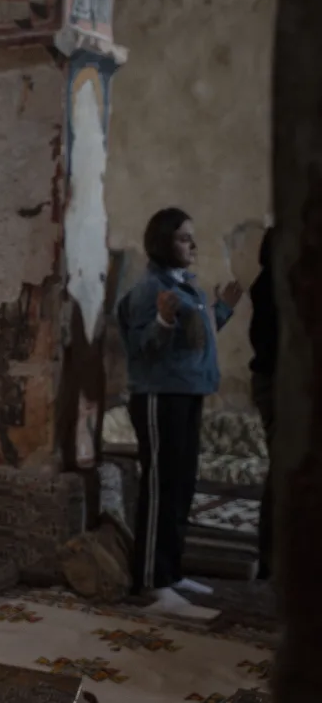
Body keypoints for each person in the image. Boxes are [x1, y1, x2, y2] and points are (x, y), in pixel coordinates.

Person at [116, 207, 244, 619]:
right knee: (161, 486)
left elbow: (197, 341)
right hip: (159, 396)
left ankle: (171, 572)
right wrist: (162, 319)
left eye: (191, 237)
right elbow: (144, 349)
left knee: (182, 485)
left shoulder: (185, 286)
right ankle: (153, 583)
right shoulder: (149, 290)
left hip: (188, 392)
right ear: (163, 242)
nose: (193, 245)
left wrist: (222, 309)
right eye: (184, 238)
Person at [248, 227, 276, 579]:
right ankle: (271, 559)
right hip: (276, 382)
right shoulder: (272, 286)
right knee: (285, 468)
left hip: (276, 382)